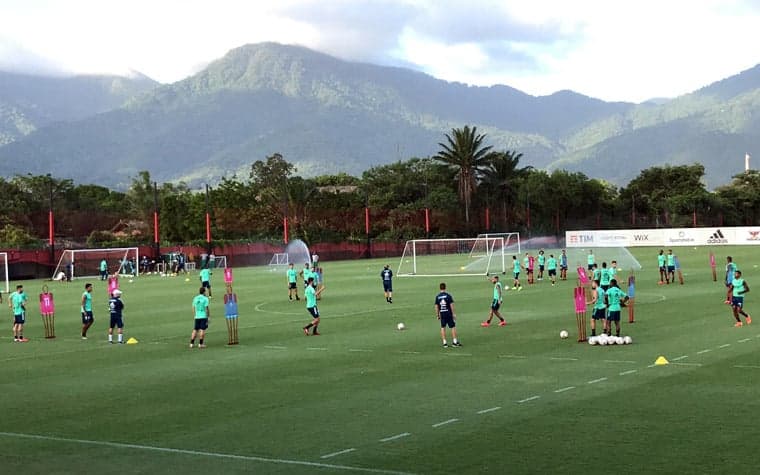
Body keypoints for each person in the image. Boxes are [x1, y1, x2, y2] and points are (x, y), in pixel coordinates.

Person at [435, 282, 461, 347]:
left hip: (442, 314)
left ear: (440, 288)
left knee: (443, 327)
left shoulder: (437, 297)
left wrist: (437, 315)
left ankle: (444, 343)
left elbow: (436, 306)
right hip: (448, 313)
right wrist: (453, 314)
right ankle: (454, 342)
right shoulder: (448, 296)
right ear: (445, 288)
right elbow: (451, 305)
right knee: (452, 327)